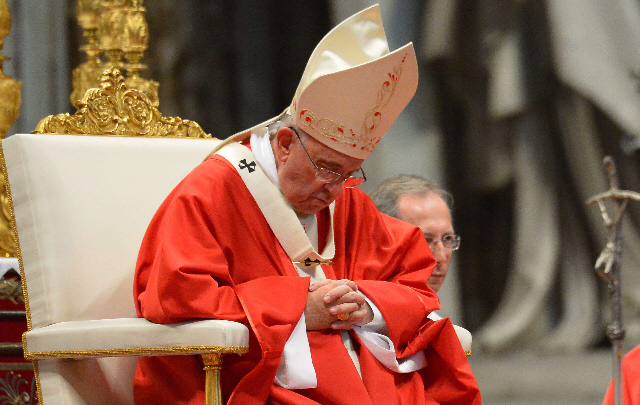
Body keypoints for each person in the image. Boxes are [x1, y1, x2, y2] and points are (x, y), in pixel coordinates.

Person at [133, 5, 481, 405]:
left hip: (357, 376)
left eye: (349, 173)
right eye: (327, 168)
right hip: (253, 380)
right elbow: (176, 300)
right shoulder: (212, 192)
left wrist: (367, 306)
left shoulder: (345, 202)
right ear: (284, 144)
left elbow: (412, 280)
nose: (335, 189)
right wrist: (297, 310)